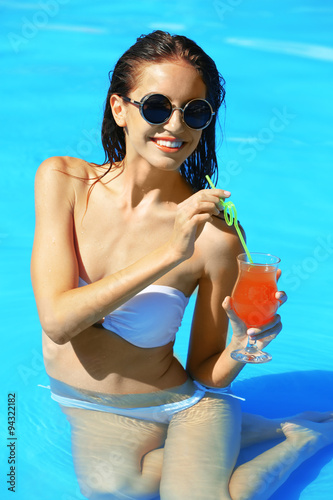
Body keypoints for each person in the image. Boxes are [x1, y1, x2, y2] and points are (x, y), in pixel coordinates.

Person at [31, 30, 333, 500]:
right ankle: (268, 434)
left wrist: (239, 345)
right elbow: (58, 321)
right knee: (116, 489)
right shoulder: (65, 182)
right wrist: (171, 252)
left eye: (195, 112)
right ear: (119, 109)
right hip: (88, 405)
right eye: (156, 106)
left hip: (179, 404)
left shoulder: (216, 236)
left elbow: (204, 374)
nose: (175, 126)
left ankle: (298, 441)